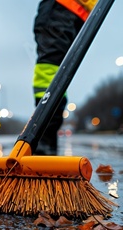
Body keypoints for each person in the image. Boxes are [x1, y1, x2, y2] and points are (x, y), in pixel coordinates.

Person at [32, 0, 97, 155]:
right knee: (51, 71)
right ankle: (44, 139)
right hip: (61, 6)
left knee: (60, 75)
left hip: (82, 14)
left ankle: (47, 141)